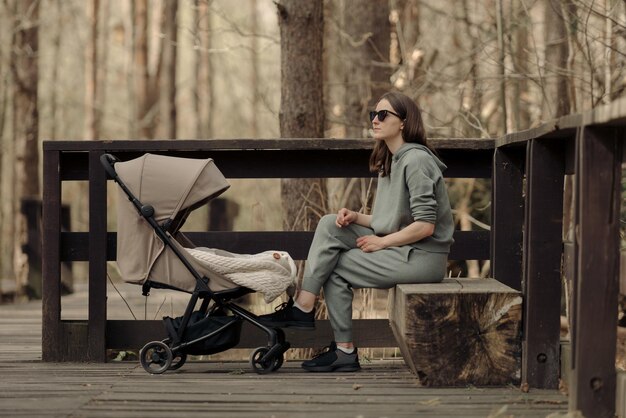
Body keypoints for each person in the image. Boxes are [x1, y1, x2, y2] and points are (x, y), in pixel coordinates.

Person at [259, 91, 454, 372]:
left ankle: (343, 349)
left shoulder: (416, 161)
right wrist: (357, 217)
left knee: (335, 268)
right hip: (404, 248)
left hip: (423, 257)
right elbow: (391, 219)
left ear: (403, 122)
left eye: (383, 114)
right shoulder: (393, 160)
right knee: (329, 222)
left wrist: (382, 243)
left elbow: (425, 226)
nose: (375, 120)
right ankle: (306, 307)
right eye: (373, 114)